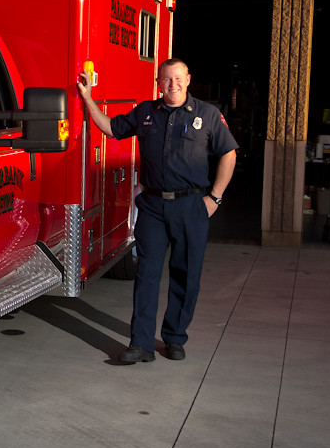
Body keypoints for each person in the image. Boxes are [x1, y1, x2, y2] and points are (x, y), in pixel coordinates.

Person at [77, 58, 238, 363]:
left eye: (178, 79)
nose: (172, 85)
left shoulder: (208, 114)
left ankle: (175, 338)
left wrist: (214, 198)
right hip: (151, 206)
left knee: (186, 275)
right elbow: (111, 128)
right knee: (147, 275)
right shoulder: (146, 113)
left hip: (191, 205)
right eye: (166, 79)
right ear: (158, 83)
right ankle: (140, 345)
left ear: (188, 80)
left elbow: (228, 154)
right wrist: (87, 98)